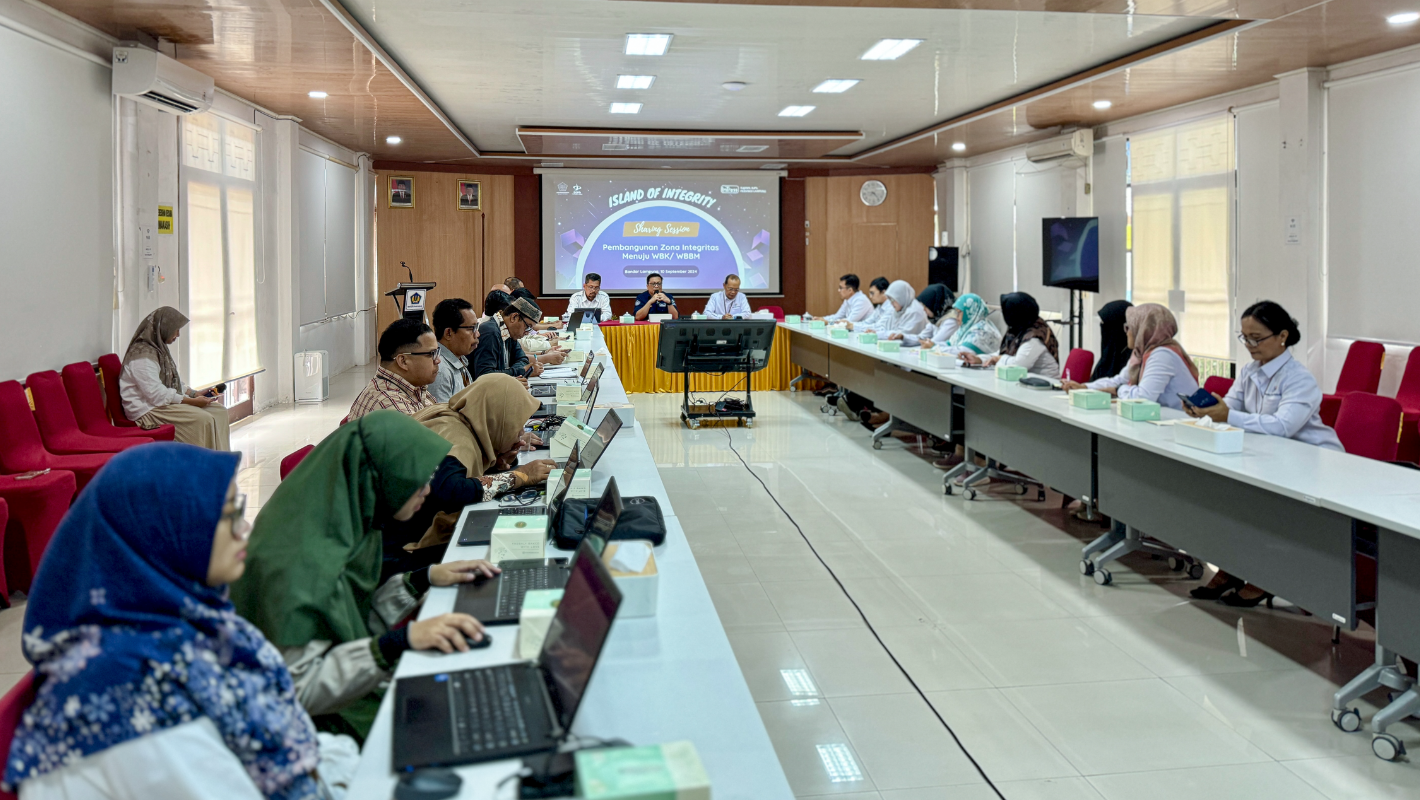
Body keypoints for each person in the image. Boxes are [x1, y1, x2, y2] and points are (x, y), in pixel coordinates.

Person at [2, 443, 351, 800]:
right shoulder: (128, 689)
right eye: (228, 514)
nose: (244, 527)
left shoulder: (187, 624)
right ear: (162, 531)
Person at [230, 412, 499, 741]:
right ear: (379, 476)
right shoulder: (300, 562)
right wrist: (396, 644)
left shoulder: (350, 522)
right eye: (416, 480)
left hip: (348, 685)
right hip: (317, 731)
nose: (427, 490)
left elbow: (356, 619)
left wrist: (420, 580)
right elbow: (296, 690)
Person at [1186, 300, 1342, 607]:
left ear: (1282, 336)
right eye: (1245, 338)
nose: (1250, 345)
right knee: (1225, 497)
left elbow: (1283, 426)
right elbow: (1231, 407)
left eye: (1256, 338)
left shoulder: (1299, 378)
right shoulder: (1248, 371)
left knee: (1259, 506)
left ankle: (1264, 576)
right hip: (1271, 457)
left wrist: (1227, 415)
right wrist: (1205, 411)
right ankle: (1231, 567)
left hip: (1312, 463)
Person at [385, 376, 558, 576]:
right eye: (516, 424)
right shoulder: (455, 435)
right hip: (405, 554)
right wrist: (519, 476)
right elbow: (451, 491)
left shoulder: (458, 417)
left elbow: (462, 472)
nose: (520, 432)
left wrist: (498, 463)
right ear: (497, 417)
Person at [118, 307, 231, 450]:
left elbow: (170, 381)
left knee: (219, 412)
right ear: (164, 328)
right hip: (147, 411)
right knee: (203, 420)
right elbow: (156, 395)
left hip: (160, 404)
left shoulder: (158, 349)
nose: (178, 334)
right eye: (176, 329)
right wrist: (192, 402)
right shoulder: (142, 357)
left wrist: (194, 394)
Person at [1062, 303, 1198, 409]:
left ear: (1143, 330)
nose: (1127, 333)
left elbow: (1142, 398)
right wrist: (1085, 388)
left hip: (1178, 424)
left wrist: (1119, 390)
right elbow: (1119, 380)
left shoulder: (1162, 355)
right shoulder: (1141, 353)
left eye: (1129, 328)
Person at [348, 318, 438, 420]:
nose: (438, 360)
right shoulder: (390, 406)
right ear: (403, 361)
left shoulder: (414, 387)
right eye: (432, 354)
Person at [962, 292, 1060, 379]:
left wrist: (998, 359)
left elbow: (1019, 365)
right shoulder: (1019, 328)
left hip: (1046, 388)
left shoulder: (1035, 336)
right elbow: (1002, 354)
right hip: (1025, 384)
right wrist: (979, 359)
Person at [473, 294, 544, 381]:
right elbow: (485, 376)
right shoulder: (490, 332)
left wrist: (518, 371)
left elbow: (523, 359)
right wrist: (520, 371)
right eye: (527, 327)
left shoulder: (508, 332)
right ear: (514, 317)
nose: (527, 333)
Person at [428, 298, 478, 403]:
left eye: (476, 327)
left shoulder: (460, 360)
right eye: (471, 328)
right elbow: (441, 413)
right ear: (448, 333)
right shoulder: (440, 371)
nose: (477, 334)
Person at [929, 293, 1003, 358]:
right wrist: (932, 344)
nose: (956, 316)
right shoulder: (965, 328)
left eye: (959, 312)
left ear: (970, 312)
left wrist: (934, 348)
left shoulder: (982, 330)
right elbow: (950, 344)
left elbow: (963, 352)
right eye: (956, 312)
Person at [892, 283, 958, 347]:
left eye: (926, 306)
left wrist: (925, 344)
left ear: (935, 305)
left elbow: (932, 343)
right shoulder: (936, 319)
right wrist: (903, 337)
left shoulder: (951, 321)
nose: (924, 309)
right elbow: (921, 337)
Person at [1092, 300, 1133, 381]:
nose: (1102, 327)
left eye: (1105, 324)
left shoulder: (1133, 358)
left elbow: (1118, 384)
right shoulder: (1108, 355)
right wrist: (1081, 386)